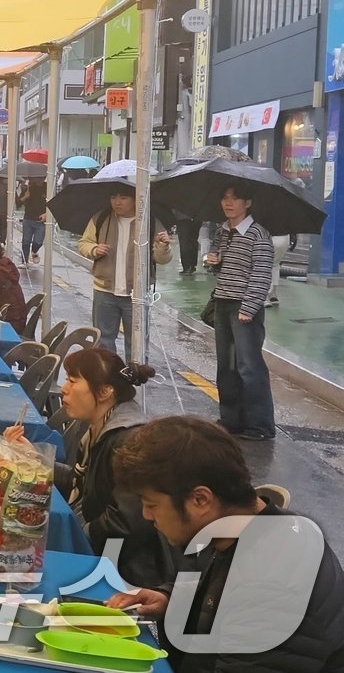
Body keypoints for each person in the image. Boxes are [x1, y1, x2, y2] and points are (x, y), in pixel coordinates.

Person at [107, 417, 344, 671]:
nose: (146, 515)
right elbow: (221, 591)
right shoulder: (242, 530)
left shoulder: (271, 585)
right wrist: (172, 599)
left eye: (152, 504)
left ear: (200, 499)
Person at [33, 347, 170, 589]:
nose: (64, 388)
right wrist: (35, 461)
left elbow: (126, 522)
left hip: (120, 572)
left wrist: (72, 538)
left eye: (73, 380)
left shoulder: (127, 440)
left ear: (105, 391)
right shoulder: (101, 426)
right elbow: (83, 482)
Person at [204, 183, 276, 440]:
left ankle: (260, 426)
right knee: (227, 367)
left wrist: (248, 308)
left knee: (249, 367)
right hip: (223, 303)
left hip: (244, 308)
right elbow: (222, 269)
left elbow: (260, 275)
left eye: (234, 199)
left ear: (248, 203)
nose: (228, 203)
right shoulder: (223, 232)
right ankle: (231, 420)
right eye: (224, 198)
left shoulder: (259, 235)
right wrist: (214, 262)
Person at [76, 182, 172, 361]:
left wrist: (163, 246)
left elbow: (162, 259)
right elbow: (83, 243)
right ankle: (108, 379)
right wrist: (94, 249)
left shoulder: (149, 222)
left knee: (136, 343)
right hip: (104, 290)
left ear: (136, 200)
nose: (117, 202)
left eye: (123, 197)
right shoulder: (101, 218)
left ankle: (134, 381)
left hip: (136, 293)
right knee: (103, 340)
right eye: (113, 197)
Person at [18, 177, 47, 265]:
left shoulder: (47, 188)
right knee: (26, 241)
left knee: (38, 242)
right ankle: (24, 261)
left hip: (41, 220)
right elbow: (18, 203)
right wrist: (25, 197)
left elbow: (53, 203)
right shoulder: (27, 188)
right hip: (28, 218)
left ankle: (34, 251)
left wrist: (46, 214)